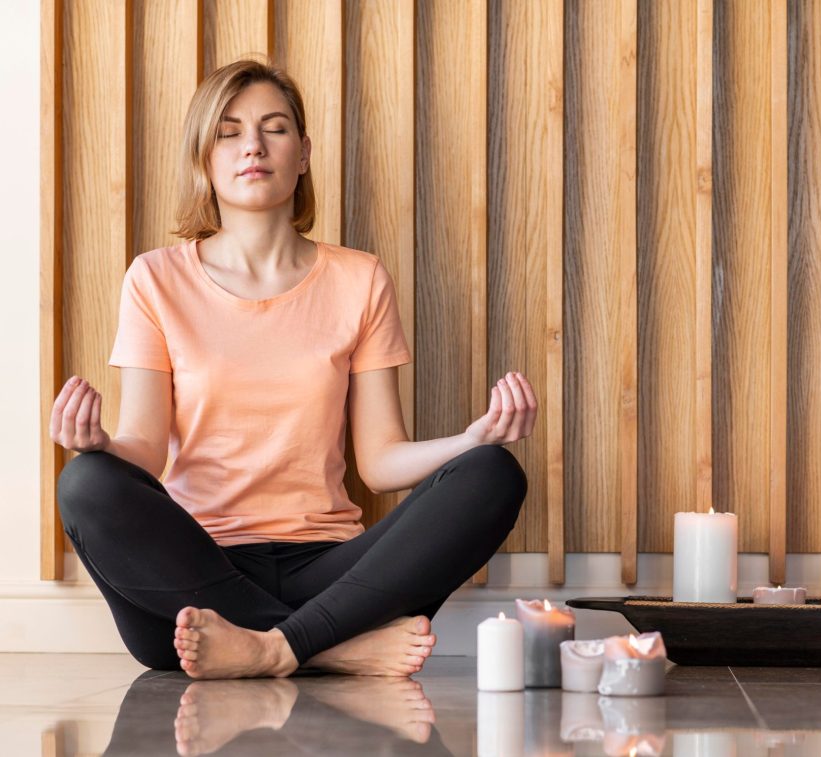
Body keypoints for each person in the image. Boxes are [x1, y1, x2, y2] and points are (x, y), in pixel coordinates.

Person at [51, 58, 534, 681]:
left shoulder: (359, 278)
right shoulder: (155, 279)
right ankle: (332, 648)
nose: (252, 145)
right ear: (205, 157)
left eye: (273, 127)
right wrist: (101, 445)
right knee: (87, 482)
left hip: (334, 571)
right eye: (228, 131)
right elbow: (144, 450)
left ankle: (272, 649)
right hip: (198, 577)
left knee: (492, 473)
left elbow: (381, 461)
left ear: (302, 153)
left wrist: (474, 440)